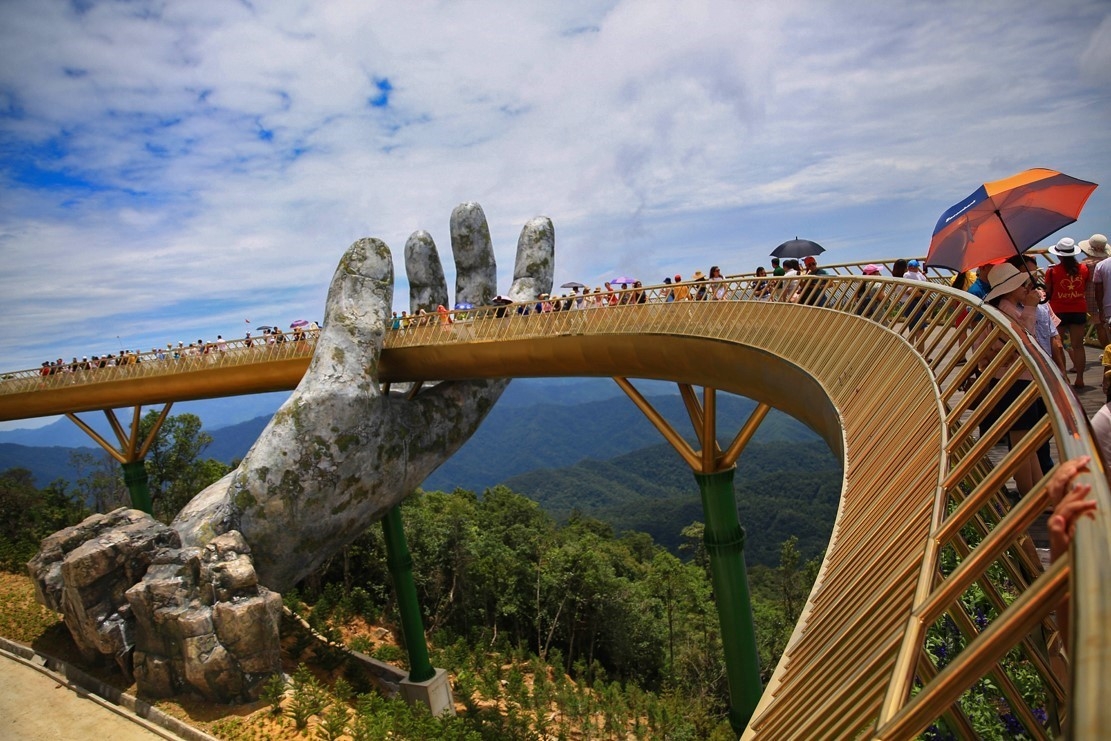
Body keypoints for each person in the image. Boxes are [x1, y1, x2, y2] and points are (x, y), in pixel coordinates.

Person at [978, 262, 1045, 496]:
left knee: (1027, 442)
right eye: (1022, 284)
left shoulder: (1002, 307)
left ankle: (1038, 493)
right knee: (1022, 444)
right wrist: (1030, 308)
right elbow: (1026, 340)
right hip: (1015, 381)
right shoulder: (1008, 309)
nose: (1026, 287)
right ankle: (1029, 494)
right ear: (1010, 288)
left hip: (1014, 380)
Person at [1045, 237, 1090, 388]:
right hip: (1078, 308)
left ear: (1059, 255)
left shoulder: (1052, 271)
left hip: (1058, 310)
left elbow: (1048, 291)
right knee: (1078, 346)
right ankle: (1080, 378)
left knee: (1058, 344)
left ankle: (1064, 376)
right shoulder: (1084, 269)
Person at [1081, 233, 1109, 348]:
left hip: (1092, 299)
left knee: (1099, 326)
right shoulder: (1107, 263)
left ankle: (1107, 351)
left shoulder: (1085, 264)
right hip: (1108, 297)